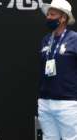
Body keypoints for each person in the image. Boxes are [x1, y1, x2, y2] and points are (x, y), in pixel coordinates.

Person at [38, 0, 77, 139]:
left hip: (67, 103)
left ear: (63, 18)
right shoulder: (46, 40)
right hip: (45, 102)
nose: (48, 17)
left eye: (52, 14)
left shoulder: (74, 39)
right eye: (47, 14)